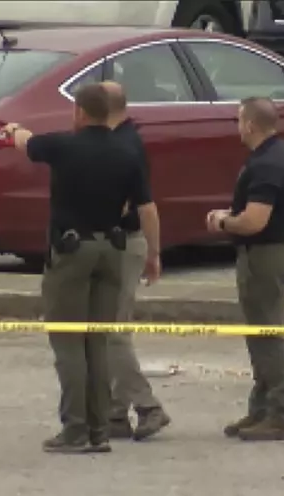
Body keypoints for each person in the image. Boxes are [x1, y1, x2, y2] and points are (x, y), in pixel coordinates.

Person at [1, 83, 162, 454]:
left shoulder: (64, 145)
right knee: (98, 340)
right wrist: (153, 253)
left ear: (79, 112)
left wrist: (13, 130)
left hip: (73, 252)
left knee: (69, 341)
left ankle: (75, 428)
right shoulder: (128, 152)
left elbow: (27, 143)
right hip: (113, 250)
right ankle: (100, 429)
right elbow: (147, 208)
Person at [205, 97, 284, 442]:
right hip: (268, 252)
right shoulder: (276, 154)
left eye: (238, 120)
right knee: (258, 335)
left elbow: (255, 221)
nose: (237, 126)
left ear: (250, 124)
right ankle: (260, 409)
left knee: (267, 335)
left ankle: (279, 415)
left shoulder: (268, 164)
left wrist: (223, 222)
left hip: (266, 255)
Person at [99, 80, 171, 441]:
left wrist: (153, 253)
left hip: (124, 243)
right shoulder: (125, 140)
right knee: (110, 328)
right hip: (127, 242)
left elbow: (141, 206)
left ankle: (148, 405)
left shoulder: (123, 146)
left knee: (113, 331)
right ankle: (114, 412)